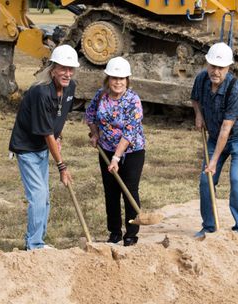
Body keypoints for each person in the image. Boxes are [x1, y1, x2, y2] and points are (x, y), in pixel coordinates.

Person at [9, 44, 80, 250]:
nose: (67, 73)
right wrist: (61, 166)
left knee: (44, 197)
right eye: (62, 68)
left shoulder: (70, 88)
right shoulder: (41, 92)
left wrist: (60, 136)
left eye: (70, 69)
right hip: (27, 148)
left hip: (42, 148)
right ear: (53, 68)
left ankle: (38, 240)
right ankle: (34, 245)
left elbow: (58, 118)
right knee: (38, 196)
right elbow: (46, 132)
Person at [190, 42, 238, 236]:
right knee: (206, 181)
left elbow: (226, 129)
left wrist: (213, 161)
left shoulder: (236, 90)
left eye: (220, 68)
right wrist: (198, 115)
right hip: (214, 134)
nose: (215, 71)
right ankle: (209, 226)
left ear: (228, 68)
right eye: (212, 66)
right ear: (207, 64)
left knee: (236, 179)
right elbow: (195, 98)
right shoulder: (201, 79)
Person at [85, 56, 145, 247]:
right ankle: (114, 232)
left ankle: (131, 233)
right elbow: (90, 114)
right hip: (106, 149)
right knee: (111, 192)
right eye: (114, 78)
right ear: (108, 79)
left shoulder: (133, 100)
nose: (118, 82)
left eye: (122, 78)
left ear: (127, 80)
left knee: (128, 190)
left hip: (132, 151)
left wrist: (117, 157)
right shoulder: (101, 95)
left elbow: (129, 132)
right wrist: (94, 134)